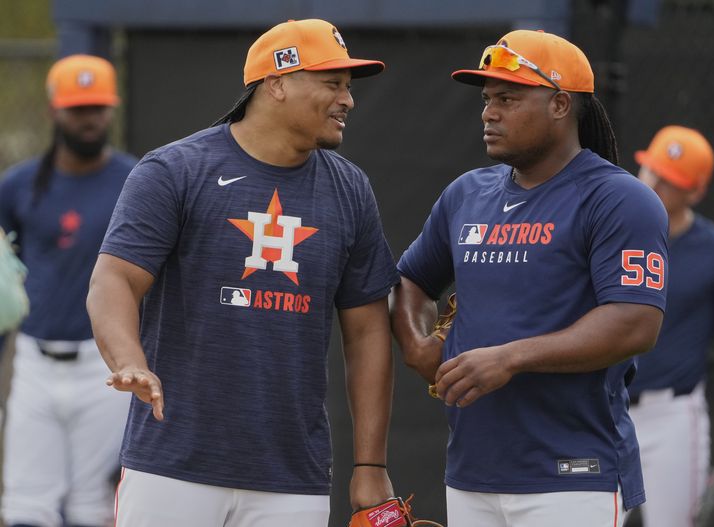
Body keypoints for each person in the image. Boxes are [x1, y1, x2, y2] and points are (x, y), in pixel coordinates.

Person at [85, 19, 400, 527]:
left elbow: (367, 332)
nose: (348, 100)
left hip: (292, 479)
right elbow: (113, 281)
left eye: (349, 87)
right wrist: (130, 360)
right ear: (277, 83)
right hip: (172, 468)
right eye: (332, 84)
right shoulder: (174, 170)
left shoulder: (351, 189)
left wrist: (370, 464)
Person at [391, 30, 669, 527]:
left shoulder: (617, 198)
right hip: (472, 470)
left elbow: (636, 323)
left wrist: (511, 358)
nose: (489, 112)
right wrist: (416, 345)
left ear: (560, 104)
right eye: (487, 99)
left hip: (572, 472)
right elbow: (409, 281)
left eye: (508, 98)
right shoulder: (466, 195)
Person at [0, 54, 136, 527]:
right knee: (24, 505)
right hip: (34, 362)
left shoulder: (136, 181)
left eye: (97, 106)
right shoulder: (17, 186)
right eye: (78, 107)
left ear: (111, 109)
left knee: (91, 508)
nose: (88, 117)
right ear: (53, 110)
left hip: (105, 366)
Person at [627, 125, 714, 527]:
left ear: (696, 191)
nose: (657, 185)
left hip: (673, 418)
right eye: (653, 172)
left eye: (671, 180)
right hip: (606, 412)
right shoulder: (610, 238)